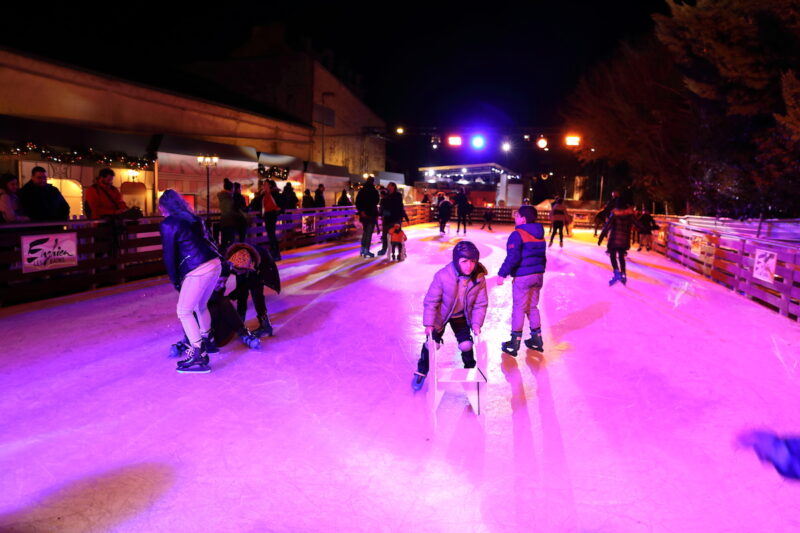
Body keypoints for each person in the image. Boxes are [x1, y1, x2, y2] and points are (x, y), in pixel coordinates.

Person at [159, 189, 222, 373]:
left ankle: (198, 355)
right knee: (200, 306)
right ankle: (207, 340)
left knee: (184, 311)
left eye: (161, 208)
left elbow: (169, 254)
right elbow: (210, 241)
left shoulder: (169, 223)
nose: (161, 212)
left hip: (198, 268)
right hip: (214, 264)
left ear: (165, 207)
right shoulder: (194, 219)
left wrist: (175, 280)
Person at [412, 241, 488, 391]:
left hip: (461, 315)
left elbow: (481, 304)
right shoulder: (442, 276)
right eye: (464, 261)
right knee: (431, 344)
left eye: (473, 261)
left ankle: (470, 370)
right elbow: (431, 301)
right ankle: (421, 370)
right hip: (441, 314)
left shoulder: (478, 278)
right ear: (456, 261)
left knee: (466, 344)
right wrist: (429, 324)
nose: (469, 266)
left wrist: (476, 324)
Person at [496, 205, 547, 356]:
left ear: (523, 219)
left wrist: (502, 273)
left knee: (519, 307)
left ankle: (514, 342)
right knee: (532, 307)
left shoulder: (517, 234)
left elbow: (513, 257)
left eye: (517, 216)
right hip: (538, 276)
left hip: (523, 276)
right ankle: (536, 339)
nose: (515, 218)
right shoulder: (540, 234)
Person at [225, 242, 280, 337]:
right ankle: (240, 323)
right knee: (241, 295)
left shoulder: (260, 262)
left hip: (261, 268)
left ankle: (265, 326)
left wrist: (231, 296)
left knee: (257, 294)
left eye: (240, 272)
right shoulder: (233, 257)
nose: (237, 274)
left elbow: (246, 285)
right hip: (244, 265)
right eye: (236, 271)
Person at [598, 198, 644, 286]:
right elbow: (638, 224)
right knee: (621, 257)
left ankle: (616, 272)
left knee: (612, 255)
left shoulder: (614, 215)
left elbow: (607, 226)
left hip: (614, 239)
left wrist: (601, 237)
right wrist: (647, 229)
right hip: (624, 240)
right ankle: (623, 273)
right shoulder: (630, 216)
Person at [377, 182, 408, 256]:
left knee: (397, 236)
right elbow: (383, 206)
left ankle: (401, 251)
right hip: (387, 219)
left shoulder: (398, 195)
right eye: (387, 186)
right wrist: (381, 213)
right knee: (385, 235)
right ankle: (384, 249)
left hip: (396, 218)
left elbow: (399, 207)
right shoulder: (386, 196)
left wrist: (404, 216)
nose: (388, 187)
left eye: (389, 186)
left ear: (393, 187)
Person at [355, 176, 379, 257]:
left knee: (365, 232)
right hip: (371, 214)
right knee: (369, 233)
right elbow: (376, 201)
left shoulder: (362, 191)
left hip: (364, 215)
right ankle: (366, 249)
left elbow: (358, 202)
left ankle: (363, 248)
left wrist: (361, 211)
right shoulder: (374, 191)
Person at [218, 178, 243, 251]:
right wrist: (240, 214)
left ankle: (222, 258)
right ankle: (228, 258)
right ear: (231, 189)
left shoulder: (222, 197)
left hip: (224, 222)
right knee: (230, 242)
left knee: (224, 242)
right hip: (229, 222)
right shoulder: (228, 198)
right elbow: (229, 211)